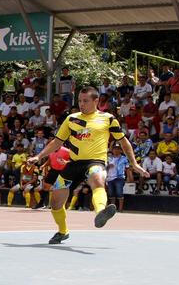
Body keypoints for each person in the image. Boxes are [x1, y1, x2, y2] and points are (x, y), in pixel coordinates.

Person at [28, 86, 149, 245]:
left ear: (96, 101)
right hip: (73, 164)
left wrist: (134, 163)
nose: (81, 104)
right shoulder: (71, 119)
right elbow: (57, 142)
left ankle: (101, 212)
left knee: (97, 180)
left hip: (95, 161)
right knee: (56, 202)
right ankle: (63, 231)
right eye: (79, 100)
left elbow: (123, 142)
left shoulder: (108, 118)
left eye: (85, 101)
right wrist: (38, 156)